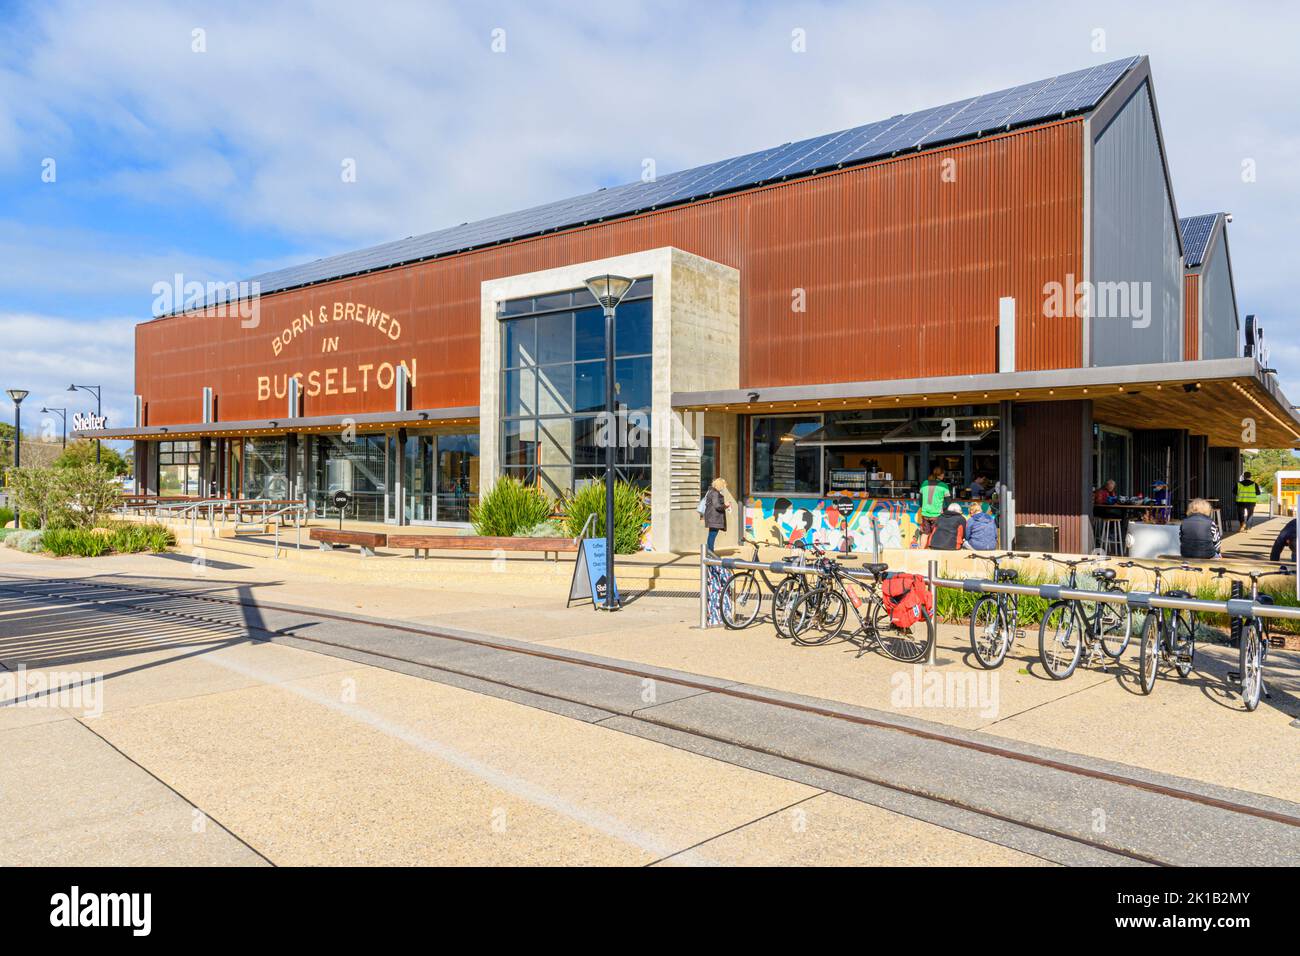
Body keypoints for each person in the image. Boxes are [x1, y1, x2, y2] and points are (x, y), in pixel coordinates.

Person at [700, 476, 731, 554]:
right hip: (714, 518)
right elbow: (717, 506)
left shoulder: (711, 492)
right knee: (712, 536)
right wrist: (725, 505)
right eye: (723, 486)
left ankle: (710, 552)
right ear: (720, 485)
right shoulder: (715, 493)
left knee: (711, 535)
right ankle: (710, 553)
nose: (724, 487)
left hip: (712, 517)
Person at [918, 466, 950, 538]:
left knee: (925, 533)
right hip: (936, 514)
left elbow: (920, 499)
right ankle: (932, 548)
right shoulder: (944, 486)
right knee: (935, 534)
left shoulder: (924, 483)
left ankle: (922, 548)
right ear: (941, 475)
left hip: (925, 513)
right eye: (943, 474)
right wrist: (945, 509)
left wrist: (922, 507)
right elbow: (948, 502)